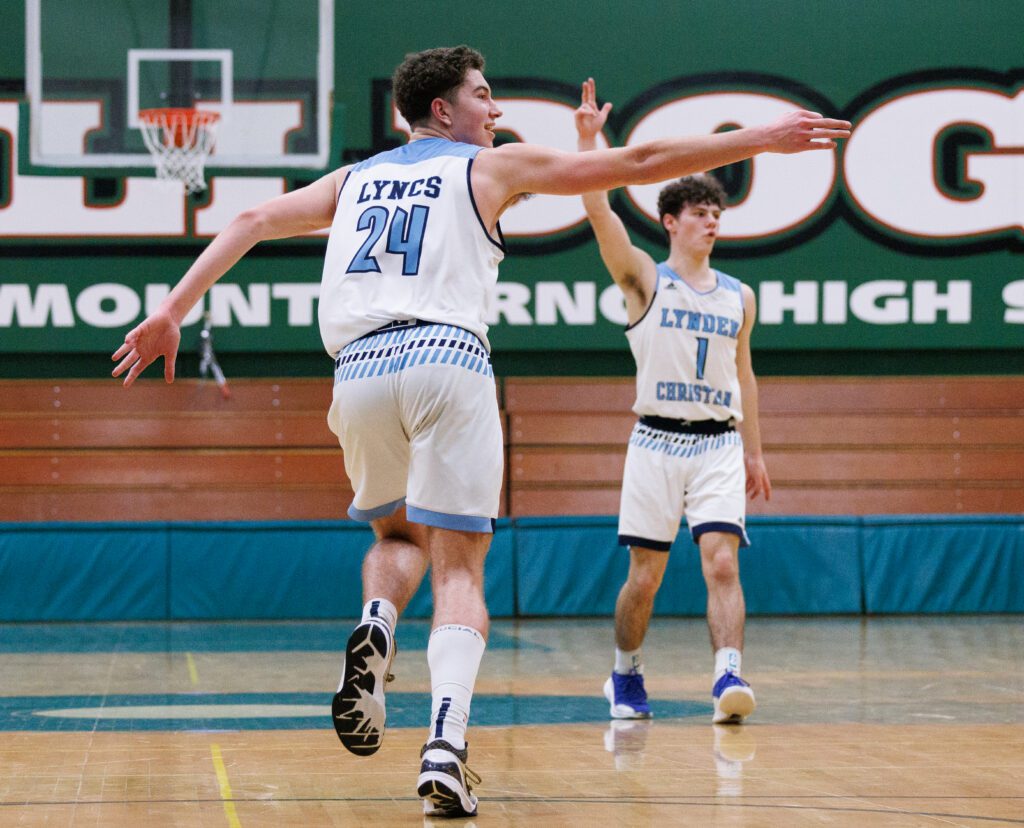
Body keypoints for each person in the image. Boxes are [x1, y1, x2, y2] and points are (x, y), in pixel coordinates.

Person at [112, 48, 849, 818]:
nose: (494, 111)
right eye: (483, 96)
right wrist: (760, 137)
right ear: (442, 112)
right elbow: (644, 158)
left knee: (398, 540)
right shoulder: (485, 170)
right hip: (445, 359)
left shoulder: (357, 178)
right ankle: (445, 746)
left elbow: (251, 219)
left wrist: (172, 310)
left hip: (357, 371)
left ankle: (376, 624)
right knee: (460, 572)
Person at [574, 78, 774, 726]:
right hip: (656, 440)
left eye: (717, 214)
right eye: (699, 213)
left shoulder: (738, 296)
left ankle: (727, 677)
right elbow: (601, 213)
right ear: (670, 222)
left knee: (721, 560)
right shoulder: (643, 281)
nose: (712, 221)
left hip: (716, 440)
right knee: (646, 577)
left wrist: (755, 452)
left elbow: (745, 374)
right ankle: (625, 675)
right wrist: (588, 144)